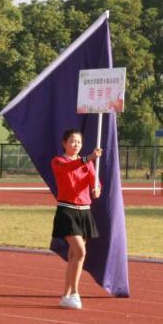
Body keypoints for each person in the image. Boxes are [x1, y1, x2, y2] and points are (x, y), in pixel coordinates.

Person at [51, 129, 103, 310]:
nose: (76, 145)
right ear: (64, 143)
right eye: (72, 141)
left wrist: (97, 189)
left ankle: (65, 295)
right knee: (80, 251)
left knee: (75, 254)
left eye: (79, 142)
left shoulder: (88, 163)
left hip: (84, 211)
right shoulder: (58, 161)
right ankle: (74, 292)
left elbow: (95, 183)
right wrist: (88, 158)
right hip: (67, 211)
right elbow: (69, 168)